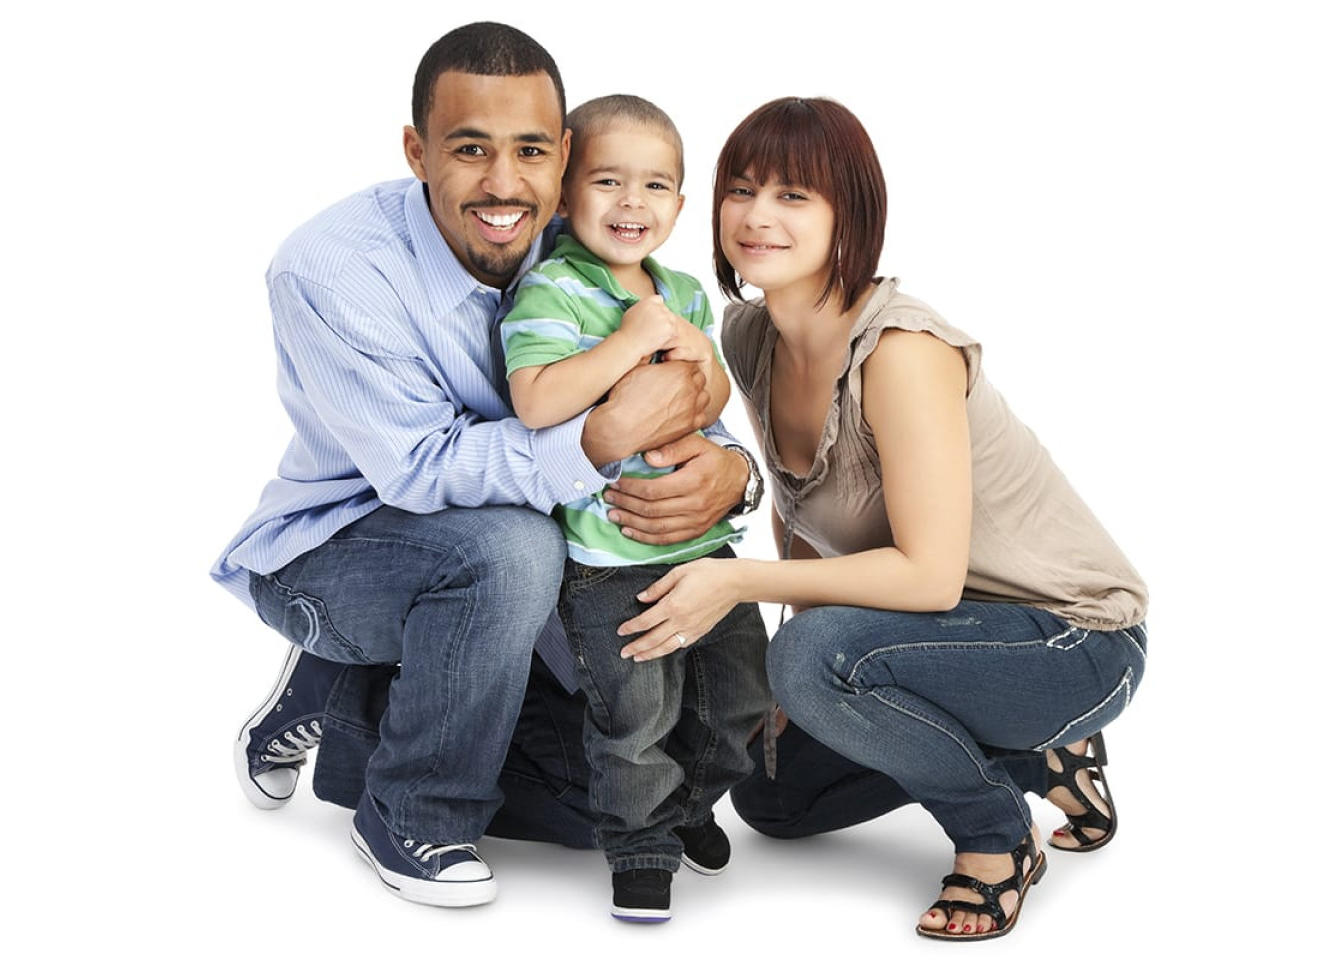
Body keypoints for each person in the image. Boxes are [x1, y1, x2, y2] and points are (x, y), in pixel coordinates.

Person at [212, 22, 759, 909]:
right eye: (470, 150)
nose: (504, 185)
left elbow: (686, 390)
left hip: (538, 566)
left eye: (531, 152)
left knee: (608, 804)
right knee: (509, 548)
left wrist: (732, 471)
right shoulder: (331, 269)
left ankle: (346, 708)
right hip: (342, 548)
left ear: (565, 156)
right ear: (416, 151)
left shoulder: (583, 239)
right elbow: (423, 471)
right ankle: (410, 806)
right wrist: (597, 440)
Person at [616, 97, 1149, 941]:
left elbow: (930, 576)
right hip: (929, 640)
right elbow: (803, 514)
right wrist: (805, 676)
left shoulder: (901, 352)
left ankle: (995, 840)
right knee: (771, 795)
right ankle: (1032, 757)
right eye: (742, 189)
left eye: (795, 196)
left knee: (806, 660)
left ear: (849, 215)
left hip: (1071, 641)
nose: (757, 216)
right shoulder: (752, 334)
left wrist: (743, 588)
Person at [500, 94, 772, 922]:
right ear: (566, 192)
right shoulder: (553, 288)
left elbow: (713, 396)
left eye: (655, 187)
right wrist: (626, 344)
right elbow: (536, 400)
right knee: (634, 713)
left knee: (739, 695)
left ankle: (692, 806)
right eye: (608, 181)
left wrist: (702, 365)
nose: (632, 204)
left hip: (703, 545)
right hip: (609, 559)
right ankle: (641, 847)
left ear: (681, 206)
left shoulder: (685, 291)